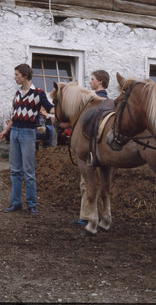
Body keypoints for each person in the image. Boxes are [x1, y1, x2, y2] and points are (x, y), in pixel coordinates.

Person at [0, 63, 54, 214]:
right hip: (15, 132)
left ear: (24, 76)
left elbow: (50, 108)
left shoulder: (38, 93)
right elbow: (14, 116)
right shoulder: (17, 94)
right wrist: (5, 130)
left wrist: (65, 109)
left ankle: (31, 204)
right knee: (15, 170)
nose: (14, 77)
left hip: (28, 133)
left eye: (16, 74)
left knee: (29, 171)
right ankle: (16, 203)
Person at [70, 70, 111, 227]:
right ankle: (102, 215)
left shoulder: (95, 103)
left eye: (92, 80)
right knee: (103, 185)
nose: (90, 82)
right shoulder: (108, 101)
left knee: (86, 183)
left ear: (100, 82)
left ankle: (87, 217)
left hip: (91, 151)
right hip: (102, 150)